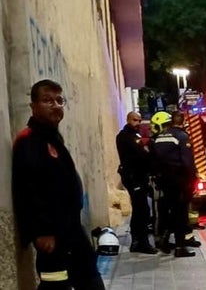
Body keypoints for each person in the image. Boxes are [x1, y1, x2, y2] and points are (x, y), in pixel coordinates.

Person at [12, 79, 106, 290]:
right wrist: (42, 231)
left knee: (90, 277)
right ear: (33, 106)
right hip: (51, 234)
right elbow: (28, 189)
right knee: (55, 282)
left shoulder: (53, 138)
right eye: (47, 100)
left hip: (71, 228)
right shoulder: (29, 140)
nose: (55, 105)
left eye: (59, 100)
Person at [151, 110, 197, 258]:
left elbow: (154, 160)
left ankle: (164, 239)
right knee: (181, 213)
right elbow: (187, 161)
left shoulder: (160, 137)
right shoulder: (182, 136)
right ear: (182, 122)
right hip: (179, 180)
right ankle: (180, 247)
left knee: (169, 211)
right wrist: (192, 180)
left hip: (164, 181)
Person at [116, 111, 157, 254]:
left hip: (138, 177)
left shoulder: (135, 136)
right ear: (128, 120)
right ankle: (142, 242)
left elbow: (143, 153)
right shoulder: (125, 136)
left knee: (141, 209)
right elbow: (141, 154)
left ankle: (137, 241)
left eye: (139, 120)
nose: (138, 123)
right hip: (134, 178)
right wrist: (147, 150)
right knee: (142, 209)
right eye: (135, 120)